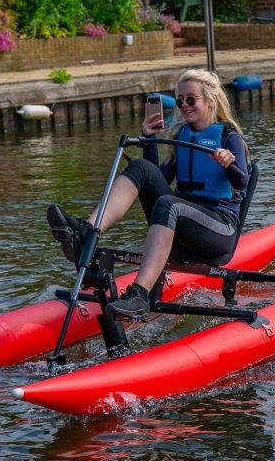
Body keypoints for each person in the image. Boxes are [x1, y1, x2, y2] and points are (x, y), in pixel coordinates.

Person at [46, 68, 251, 320]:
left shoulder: (230, 138)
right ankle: (87, 232)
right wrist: (149, 139)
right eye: (179, 101)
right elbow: (155, 179)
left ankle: (140, 294)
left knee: (169, 205)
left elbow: (242, 184)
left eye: (191, 99)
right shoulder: (181, 136)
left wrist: (229, 163)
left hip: (219, 231)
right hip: (181, 229)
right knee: (140, 167)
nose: (184, 106)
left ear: (210, 100)